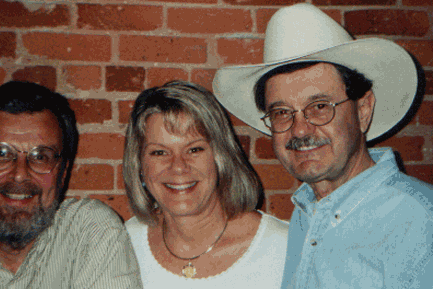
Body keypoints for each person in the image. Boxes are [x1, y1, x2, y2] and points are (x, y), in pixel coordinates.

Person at [212, 3, 433, 289]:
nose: (300, 129)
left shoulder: (418, 221)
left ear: (363, 110)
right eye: (282, 112)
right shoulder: (306, 217)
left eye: (319, 106)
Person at [0, 81, 142, 288]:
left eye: (41, 157)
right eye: (2, 154)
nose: (20, 174)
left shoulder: (87, 233)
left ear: (63, 174)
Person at [123, 80, 288, 288]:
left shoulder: (282, 247)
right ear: (139, 165)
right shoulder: (124, 244)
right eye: (159, 152)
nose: (178, 167)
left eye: (194, 149)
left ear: (221, 156)